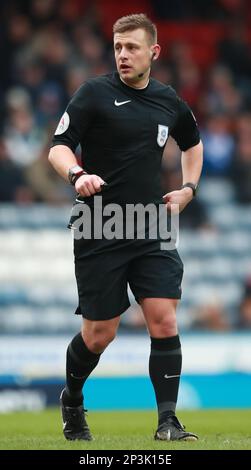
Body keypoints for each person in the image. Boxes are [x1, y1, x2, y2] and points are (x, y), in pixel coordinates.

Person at [49, 13, 203, 442]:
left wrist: (189, 188)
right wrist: (77, 174)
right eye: (118, 47)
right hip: (99, 223)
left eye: (132, 47)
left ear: (154, 52)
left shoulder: (168, 100)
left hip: (151, 223)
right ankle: (73, 400)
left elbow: (192, 144)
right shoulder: (93, 94)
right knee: (100, 334)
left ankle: (168, 422)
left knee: (164, 320)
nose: (123, 55)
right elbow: (58, 147)